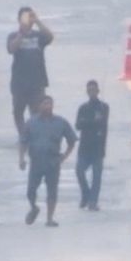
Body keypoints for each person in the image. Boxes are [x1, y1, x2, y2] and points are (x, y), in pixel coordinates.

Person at [19, 94, 76, 226]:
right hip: (36, 162)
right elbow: (23, 141)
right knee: (31, 191)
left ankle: (49, 218)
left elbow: (72, 140)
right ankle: (34, 207)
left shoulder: (60, 122)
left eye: (50, 103)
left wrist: (64, 156)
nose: (48, 106)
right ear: (39, 106)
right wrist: (21, 159)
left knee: (52, 191)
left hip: (53, 162)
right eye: (45, 103)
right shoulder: (31, 122)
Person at [7, 7, 56, 136]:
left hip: (37, 81)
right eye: (24, 17)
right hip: (19, 82)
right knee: (18, 112)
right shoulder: (13, 36)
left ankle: (35, 135)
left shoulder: (38, 36)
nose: (27, 20)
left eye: (29, 17)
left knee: (37, 112)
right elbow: (11, 49)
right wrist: (21, 33)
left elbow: (50, 37)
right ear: (19, 19)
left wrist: (37, 21)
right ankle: (23, 136)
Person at [74, 79, 110, 212]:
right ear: (87, 92)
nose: (92, 92)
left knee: (96, 176)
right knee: (79, 171)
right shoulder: (83, 108)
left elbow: (101, 123)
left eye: (94, 90)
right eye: (89, 90)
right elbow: (78, 125)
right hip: (84, 146)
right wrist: (92, 122)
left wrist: (87, 122)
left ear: (98, 91)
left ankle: (93, 201)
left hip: (98, 147)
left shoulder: (104, 107)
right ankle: (86, 193)